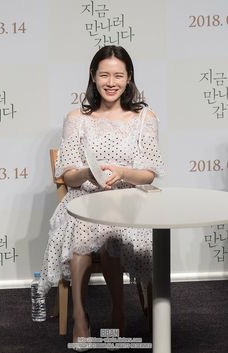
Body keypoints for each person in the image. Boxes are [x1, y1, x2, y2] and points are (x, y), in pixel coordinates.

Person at [38, 45, 164, 345]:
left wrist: (122, 172)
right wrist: (88, 173)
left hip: (128, 201)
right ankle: (80, 318)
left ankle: (117, 316)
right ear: (93, 77)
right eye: (104, 74)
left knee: (111, 232)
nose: (111, 82)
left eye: (118, 75)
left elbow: (148, 173)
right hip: (84, 199)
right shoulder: (76, 118)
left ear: (129, 78)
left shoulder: (145, 119)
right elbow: (68, 176)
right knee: (85, 225)